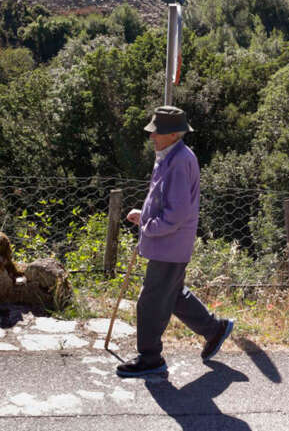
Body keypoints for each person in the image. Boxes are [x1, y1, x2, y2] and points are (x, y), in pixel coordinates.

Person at [117, 105, 234, 378]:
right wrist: (143, 214)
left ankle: (151, 358)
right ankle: (214, 330)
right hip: (168, 243)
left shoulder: (180, 160)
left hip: (169, 245)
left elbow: (177, 213)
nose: (151, 136)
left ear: (173, 134)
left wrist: (149, 226)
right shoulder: (169, 155)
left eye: (156, 132)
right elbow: (163, 200)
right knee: (171, 294)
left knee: (151, 301)